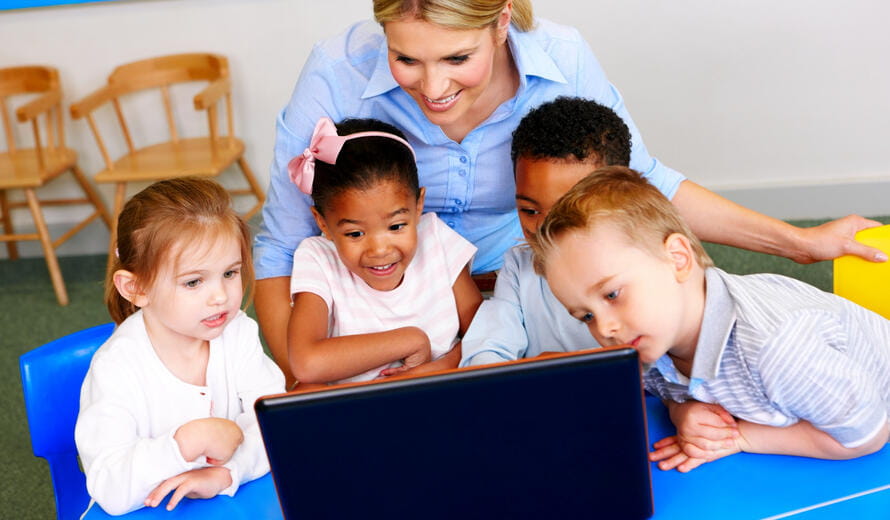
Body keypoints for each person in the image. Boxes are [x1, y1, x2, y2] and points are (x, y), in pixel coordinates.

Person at [253, 0, 885, 386]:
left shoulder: (561, 57)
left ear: (501, 20)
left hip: (521, 273)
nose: (433, 87)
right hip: (375, 291)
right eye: (406, 60)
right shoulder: (335, 71)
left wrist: (800, 243)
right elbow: (283, 243)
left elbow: (646, 182)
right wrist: (296, 385)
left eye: (455, 59)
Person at [529, 166, 890, 472]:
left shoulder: (777, 347)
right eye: (586, 315)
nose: (604, 328)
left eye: (612, 294)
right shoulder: (650, 336)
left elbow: (866, 435)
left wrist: (741, 437)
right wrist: (681, 409)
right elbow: (661, 386)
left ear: (678, 259)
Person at [461, 96, 739, 457]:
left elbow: (681, 371)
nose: (545, 228)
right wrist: (515, 376)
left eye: (566, 211)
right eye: (529, 209)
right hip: (541, 417)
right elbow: (488, 353)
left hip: (633, 422)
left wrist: (680, 408)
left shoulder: (653, 270)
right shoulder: (519, 264)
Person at [74, 178, 285, 515]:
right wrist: (184, 444)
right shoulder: (116, 367)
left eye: (230, 273)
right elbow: (109, 485)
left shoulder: (238, 333)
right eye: (193, 281)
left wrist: (227, 472)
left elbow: (276, 424)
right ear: (135, 288)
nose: (220, 296)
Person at [287, 117, 482, 385]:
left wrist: (443, 366)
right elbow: (307, 364)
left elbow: (486, 329)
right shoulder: (318, 257)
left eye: (396, 226)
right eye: (355, 234)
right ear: (323, 223)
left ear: (418, 206)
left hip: (442, 395)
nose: (379, 250)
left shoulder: (436, 239)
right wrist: (409, 340)